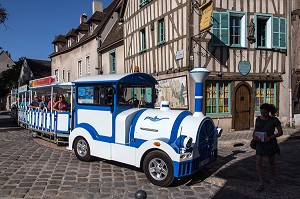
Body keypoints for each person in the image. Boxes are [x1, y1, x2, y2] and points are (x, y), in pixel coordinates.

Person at [252, 103, 283, 191]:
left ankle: (272, 179)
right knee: (258, 162)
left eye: (264, 112)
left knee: (271, 162)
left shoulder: (274, 120)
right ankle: (261, 182)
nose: (262, 114)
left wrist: (270, 137)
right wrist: (254, 136)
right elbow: (255, 130)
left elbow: (280, 132)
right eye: (261, 112)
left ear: (269, 112)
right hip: (260, 143)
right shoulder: (258, 119)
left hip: (270, 143)